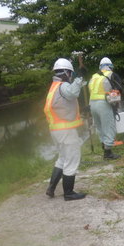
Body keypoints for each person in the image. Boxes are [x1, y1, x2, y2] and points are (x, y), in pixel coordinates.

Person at [44, 57, 88, 201]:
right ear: (66, 72)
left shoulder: (55, 86)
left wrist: (80, 79)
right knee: (72, 158)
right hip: (65, 131)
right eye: (71, 73)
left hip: (56, 130)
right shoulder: (63, 86)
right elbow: (73, 93)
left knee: (62, 158)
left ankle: (51, 188)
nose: (71, 76)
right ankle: (68, 193)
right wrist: (80, 77)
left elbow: (72, 90)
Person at [88, 57, 123, 160]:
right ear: (111, 66)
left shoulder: (94, 76)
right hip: (104, 104)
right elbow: (119, 89)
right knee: (109, 127)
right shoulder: (112, 75)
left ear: (100, 67)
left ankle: (104, 145)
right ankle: (108, 153)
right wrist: (116, 104)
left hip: (92, 104)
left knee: (100, 127)